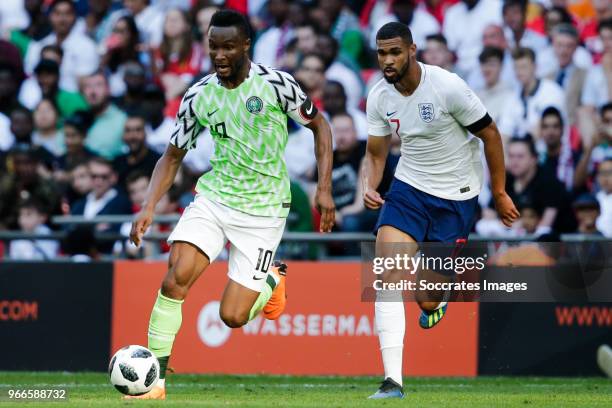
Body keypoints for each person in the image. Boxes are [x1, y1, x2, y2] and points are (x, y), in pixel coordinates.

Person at [126, 10, 335, 400]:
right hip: (215, 198)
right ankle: (154, 381)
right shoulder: (199, 94)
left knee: (233, 317)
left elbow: (320, 126)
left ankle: (273, 279)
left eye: (227, 46)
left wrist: (324, 189)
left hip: (264, 210)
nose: (219, 54)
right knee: (175, 278)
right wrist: (148, 206)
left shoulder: (277, 85)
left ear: (245, 46)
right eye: (212, 46)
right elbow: (172, 156)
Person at [363, 22, 518, 399]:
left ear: (413, 50)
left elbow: (490, 135)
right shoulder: (379, 96)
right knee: (387, 276)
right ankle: (392, 381)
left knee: (427, 299)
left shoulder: (447, 86)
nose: (388, 59)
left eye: (395, 52)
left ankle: (441, 296)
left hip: (456, 196)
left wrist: (499, 192)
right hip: (409, 190)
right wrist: (371, 183)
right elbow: (377, 151)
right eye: (382, 53)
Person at [112, 113, 161, 189]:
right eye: (128, 131)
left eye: (138, 130)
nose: (132, 136)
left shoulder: (158, 162)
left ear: (146, 133)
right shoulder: (117, 163)